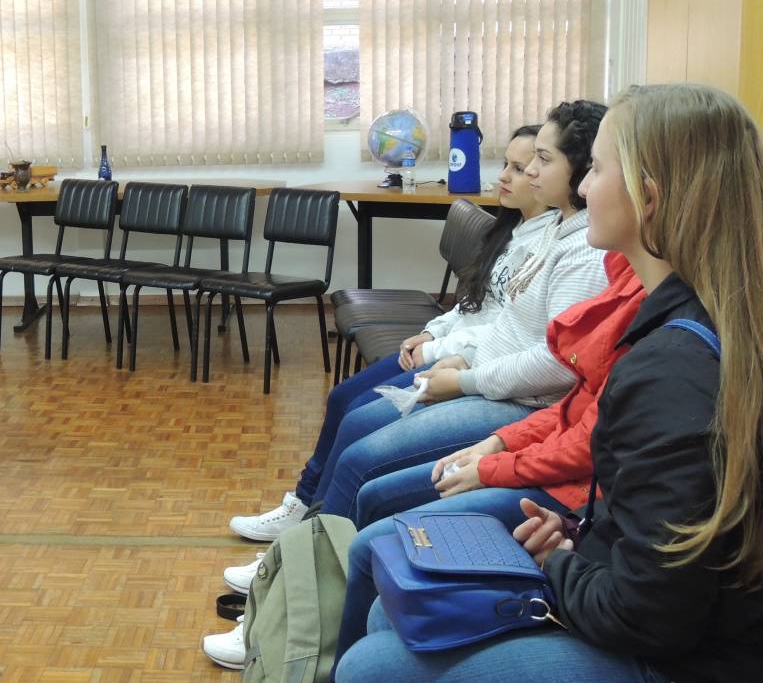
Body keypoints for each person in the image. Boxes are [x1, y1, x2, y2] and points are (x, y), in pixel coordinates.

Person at [337, 84, 763, 683]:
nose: (581, 185)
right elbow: (660, 533)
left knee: (369, 675)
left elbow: (648, 618)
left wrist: (557, 563)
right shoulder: (695, 318)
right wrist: (578, 536)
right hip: (674, 633)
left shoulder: (673, 370)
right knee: (392, 613)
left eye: (596, 168)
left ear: (649, 197)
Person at [275, 249, 646, 683]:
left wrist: (494, 454)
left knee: (370, 511)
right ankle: (298, 613)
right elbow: (573, 404)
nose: (590, 201)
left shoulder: (643, 307)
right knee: (360, 448)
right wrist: (497, 438)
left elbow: (581, 425)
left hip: (563, 483)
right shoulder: (622, 276)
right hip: (545, 457)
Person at [228, 125, 556, 547]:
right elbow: (471, 303)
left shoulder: (548, 246)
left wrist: (436, 351)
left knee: (358, 421)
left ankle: (311, 530)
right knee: (342, 398)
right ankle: (303, 504)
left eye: (523, 166)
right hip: (451, 350)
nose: (505, 176)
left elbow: (509, 330)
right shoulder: (510, 232)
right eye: (508, 164)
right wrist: (430, 331)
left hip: (471, 366)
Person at [302, 99, 610, 520]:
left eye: (542, 159)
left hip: (519, 399)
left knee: (361, 458)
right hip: (486, 375)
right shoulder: (556, 228)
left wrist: (464, 379)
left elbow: (557, 364)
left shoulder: (585, 253)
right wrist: (462, 358)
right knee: (355, 420)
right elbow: (508, 318)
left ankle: (317, 546)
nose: (529, 172)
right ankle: (308, 530)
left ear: (579, 167)